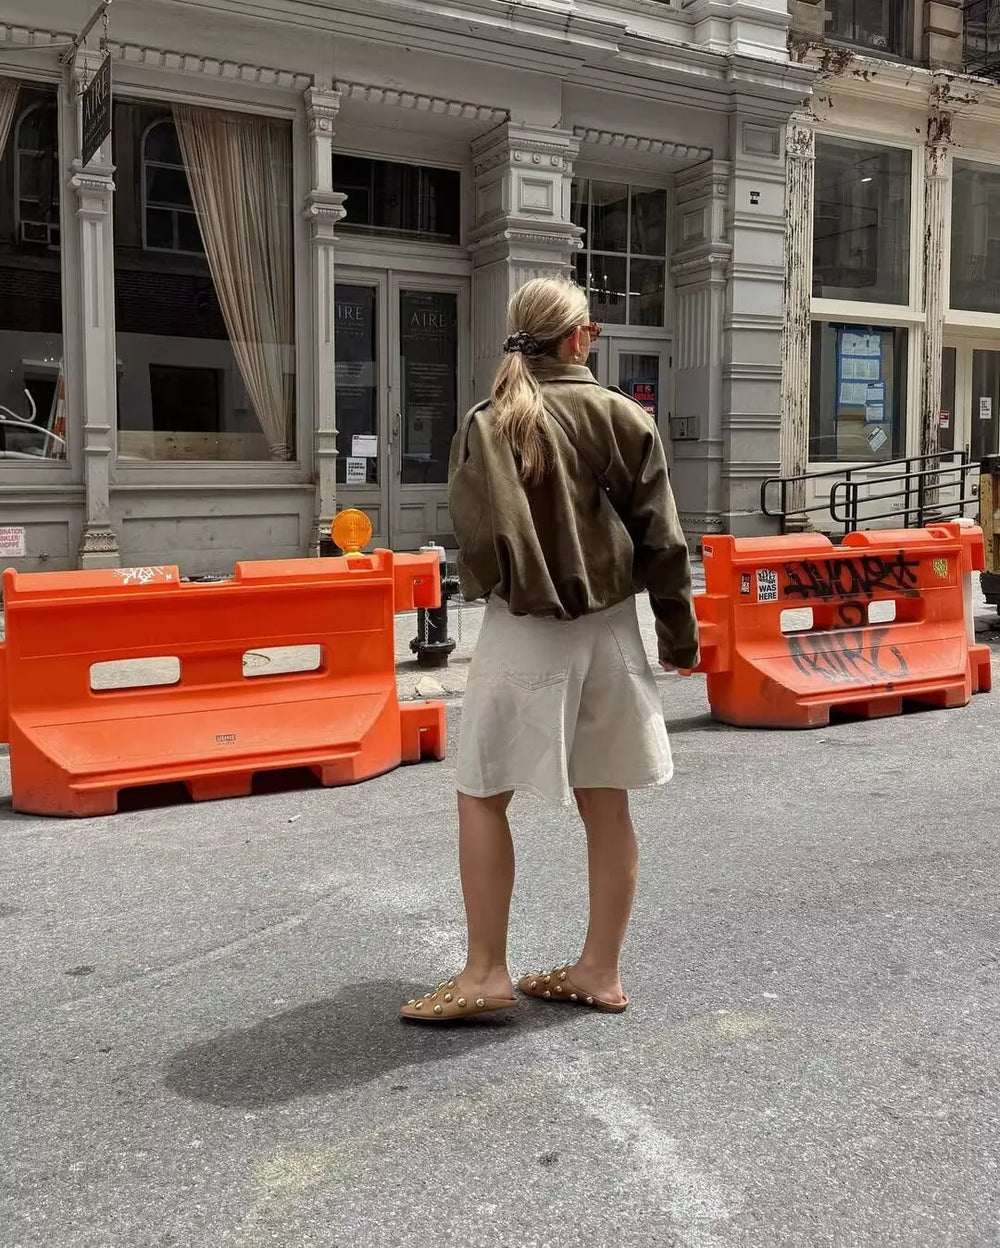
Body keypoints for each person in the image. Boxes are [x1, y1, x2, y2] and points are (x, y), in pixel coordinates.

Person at [400, 276, 699, 1023]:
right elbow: (664, 541)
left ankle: (485, 972)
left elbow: (476, 541)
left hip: (524, 628)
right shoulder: (624, 416)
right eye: (590, 329)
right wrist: (678, 634)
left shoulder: (489, 421)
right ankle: (600, 970)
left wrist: (510, 583)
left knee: (483, 792)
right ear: (576, 339)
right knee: (607, 798)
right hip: (611, 628)